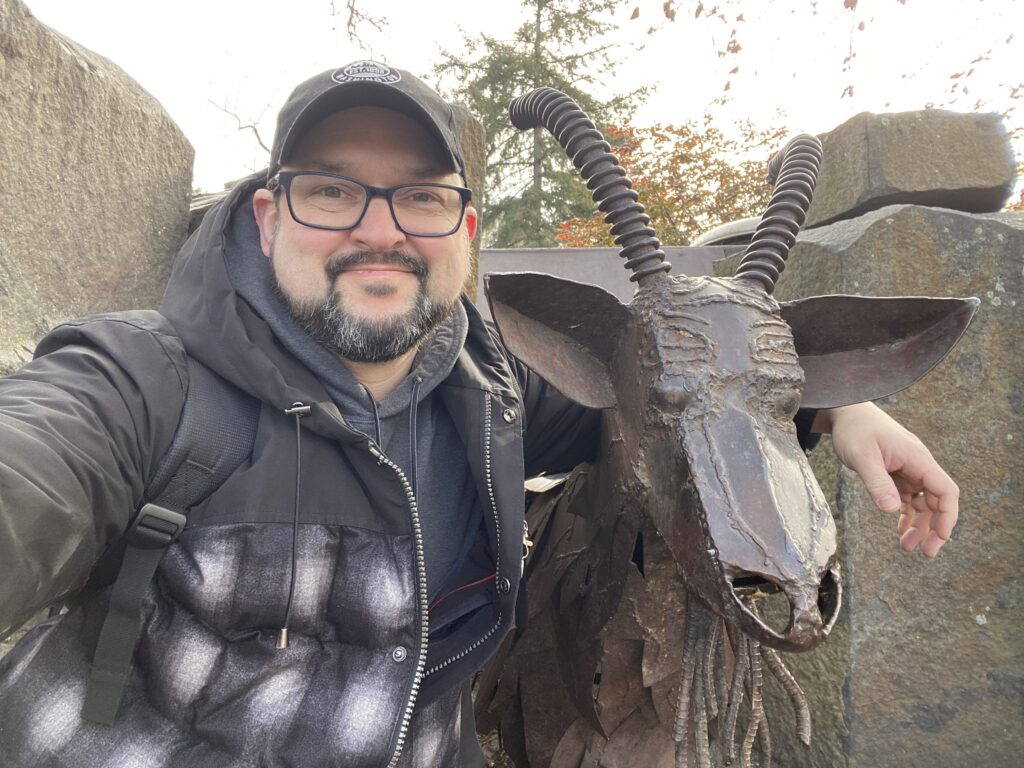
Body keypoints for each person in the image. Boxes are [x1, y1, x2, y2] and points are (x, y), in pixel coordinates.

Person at [0, 60, 959, 767]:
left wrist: (836, 412)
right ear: (267, 215)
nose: (379, 229)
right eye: (331, 191)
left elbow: (668, 407)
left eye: (421, 197)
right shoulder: (133, 380)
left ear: (464, 232)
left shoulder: (499, 389)